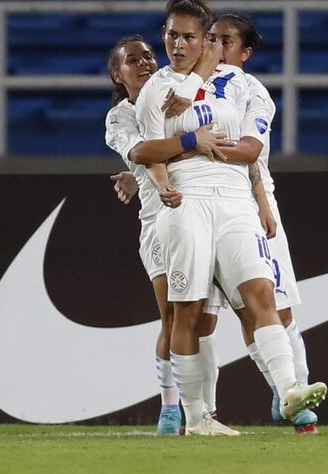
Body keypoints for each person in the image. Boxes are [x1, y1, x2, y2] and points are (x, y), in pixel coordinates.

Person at [135, 0, 327, 436]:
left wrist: (255, 194)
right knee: (189, 311)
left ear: (205, 40)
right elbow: (145, 151)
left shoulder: (239, 84)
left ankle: (289, 391)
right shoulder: (155, 89)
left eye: (188, 37)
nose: (178, 45)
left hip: (236, 200)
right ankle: (197, 417)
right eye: (172, 35)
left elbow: (250, 150)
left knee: (262, 295)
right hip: (187, 202)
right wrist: (189, 144)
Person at [103, 34, 233, 435]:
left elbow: (211, 52)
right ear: (117, 74)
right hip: (160, 220)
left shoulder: (175, 95)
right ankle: (170, 409)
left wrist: (142, 172)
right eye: (132, 60)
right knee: (173, 316)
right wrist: (191, 143)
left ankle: (206, 410)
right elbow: (144, 152)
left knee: (204, 320)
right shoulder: (121, 116)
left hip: (203, 213)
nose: (145, 63)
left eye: (148, 56)